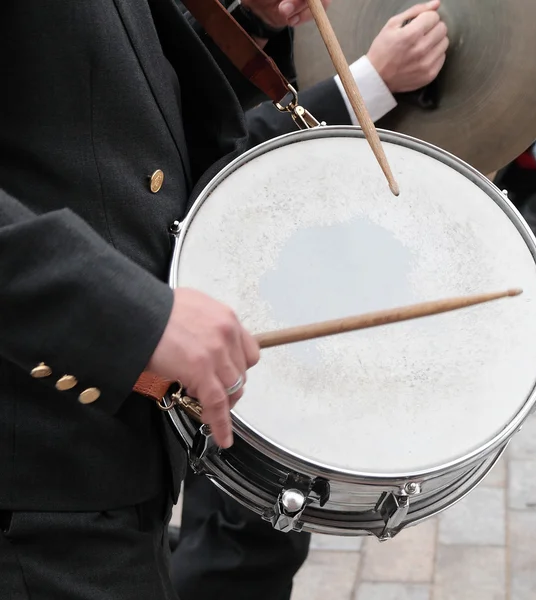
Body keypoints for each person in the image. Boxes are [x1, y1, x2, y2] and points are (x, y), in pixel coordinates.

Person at [0, 1, 337, 598]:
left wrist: (249, 25)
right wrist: (135, 316)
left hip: (118, 473)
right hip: (34, 483)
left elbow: (131, 106)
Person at [170, 3, 449, 600]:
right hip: (217, 267)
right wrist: (370, 81)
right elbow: (196, 141)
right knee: (246, 536)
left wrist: (251, 20)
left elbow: (171, 81)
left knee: (251, 529)